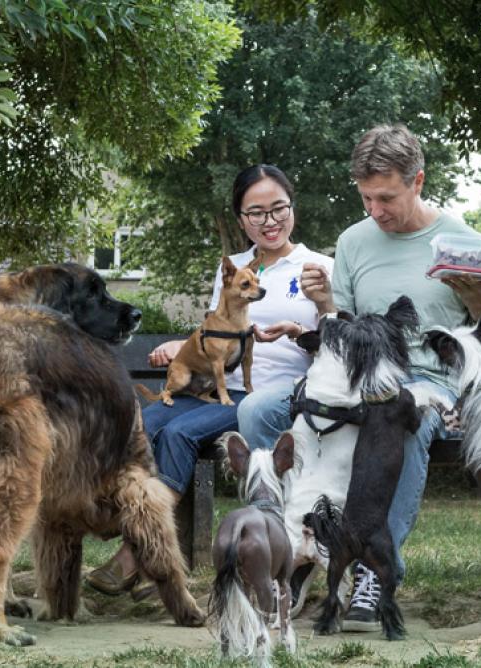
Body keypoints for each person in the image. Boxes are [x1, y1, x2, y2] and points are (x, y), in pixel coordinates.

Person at [237, 123, 481, 630]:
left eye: (386, 198)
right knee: (257, 411)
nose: (375, 211)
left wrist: (478, 299)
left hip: (427, 382)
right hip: (354, 377)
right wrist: (325, 304)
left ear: (418, 181)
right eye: (366, 198)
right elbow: (342, 326)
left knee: (402, 425)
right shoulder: (354, 242)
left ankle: (371, 571)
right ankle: (288, 548)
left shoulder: (461, 242)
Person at [85, 164, 334, 599]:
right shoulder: (233, 267)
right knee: (144, 423)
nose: (269, 221)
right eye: (256, 213)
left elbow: (338, 339)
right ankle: (124, 525)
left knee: (179, 432)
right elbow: (218, 330)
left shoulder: (317, 267)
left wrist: (320, 311)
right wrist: (182, 345)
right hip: (213, 388)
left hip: (270, 395)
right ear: (241, 219)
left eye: (278, 209)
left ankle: (139, 552)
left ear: (293, 208)